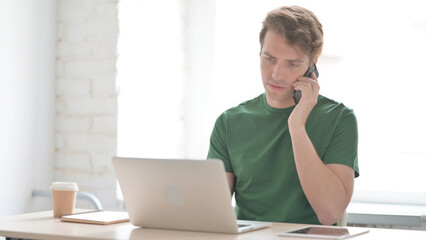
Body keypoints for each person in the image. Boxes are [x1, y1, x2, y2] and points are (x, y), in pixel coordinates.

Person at [207, 6, 359, 225]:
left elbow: (330, 213)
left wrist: (297, 127)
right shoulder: (229, 122)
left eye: (292, 64)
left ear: (312, 68)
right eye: (269, 59)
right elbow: (212, 211)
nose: (276, 74)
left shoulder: (338, 119)